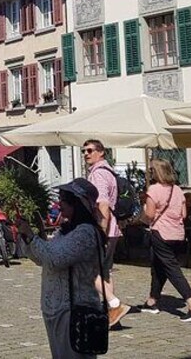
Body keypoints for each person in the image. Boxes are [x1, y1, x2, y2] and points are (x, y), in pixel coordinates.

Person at [18, 179, 107, 359]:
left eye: (64, 200)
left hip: (75, 310)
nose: (60, 205)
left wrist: (32, 236)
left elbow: (56, 259)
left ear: (78, 204)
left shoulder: (86, 232)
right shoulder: (66, 231)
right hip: (55, 308)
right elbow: (43, 258)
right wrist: (28, 237)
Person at [137, 159, 191, 322]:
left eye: (151, 170)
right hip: (177, 234)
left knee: (172, 269)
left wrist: (145, 208)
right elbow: (184, 214)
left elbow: (150, 215)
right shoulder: (178, 190)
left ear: (156, 172)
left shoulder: (154, 190)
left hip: (161, 232)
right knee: (158, 266)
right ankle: (152, 301)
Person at [82, 139, 130, 327]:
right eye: (84, 151)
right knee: (106, 272)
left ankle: (114, 304)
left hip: (103, 229)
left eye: (90, 150)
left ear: (101, 152)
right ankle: (113, 314)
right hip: (113, 230)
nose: (86, 154)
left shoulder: (99, 175)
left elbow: (103, 204)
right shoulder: (108, 172)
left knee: (87, 270)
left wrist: (100, 231)